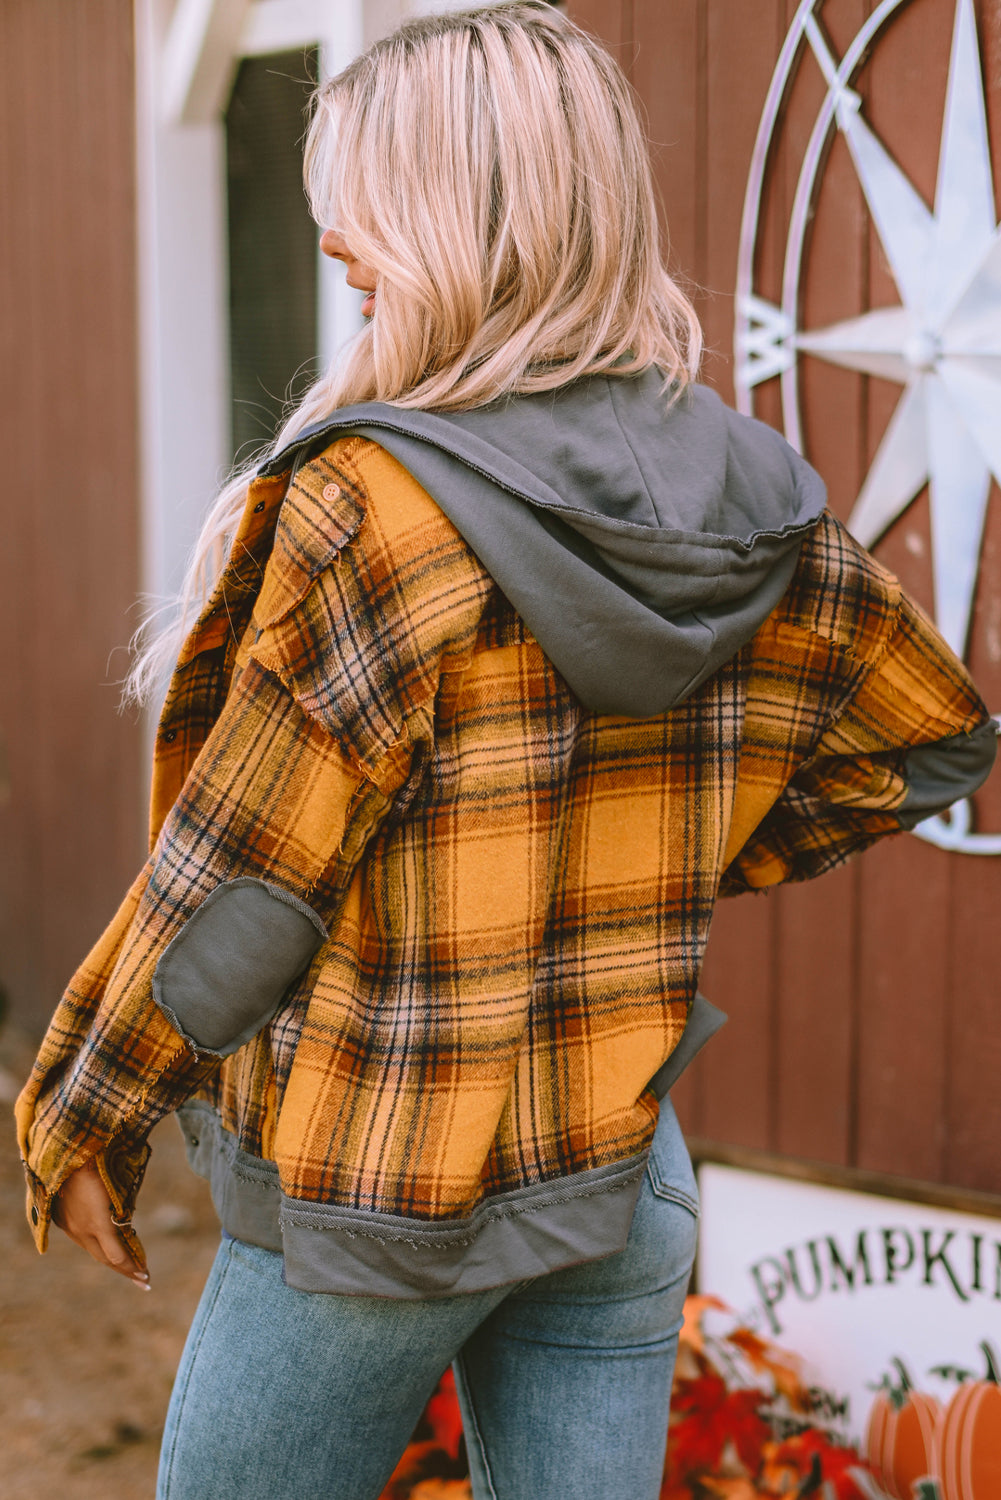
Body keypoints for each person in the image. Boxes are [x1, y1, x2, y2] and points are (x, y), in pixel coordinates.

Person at [15, 4, 996, 1498]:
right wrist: (640, 869)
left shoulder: (372, 508)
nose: (332, 235)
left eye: (363, 196)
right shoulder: (740, 480)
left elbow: (245, 882)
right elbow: (922, 745)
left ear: (465, 214)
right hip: (617, 1168)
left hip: (378, 1195)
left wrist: (86, 1104)